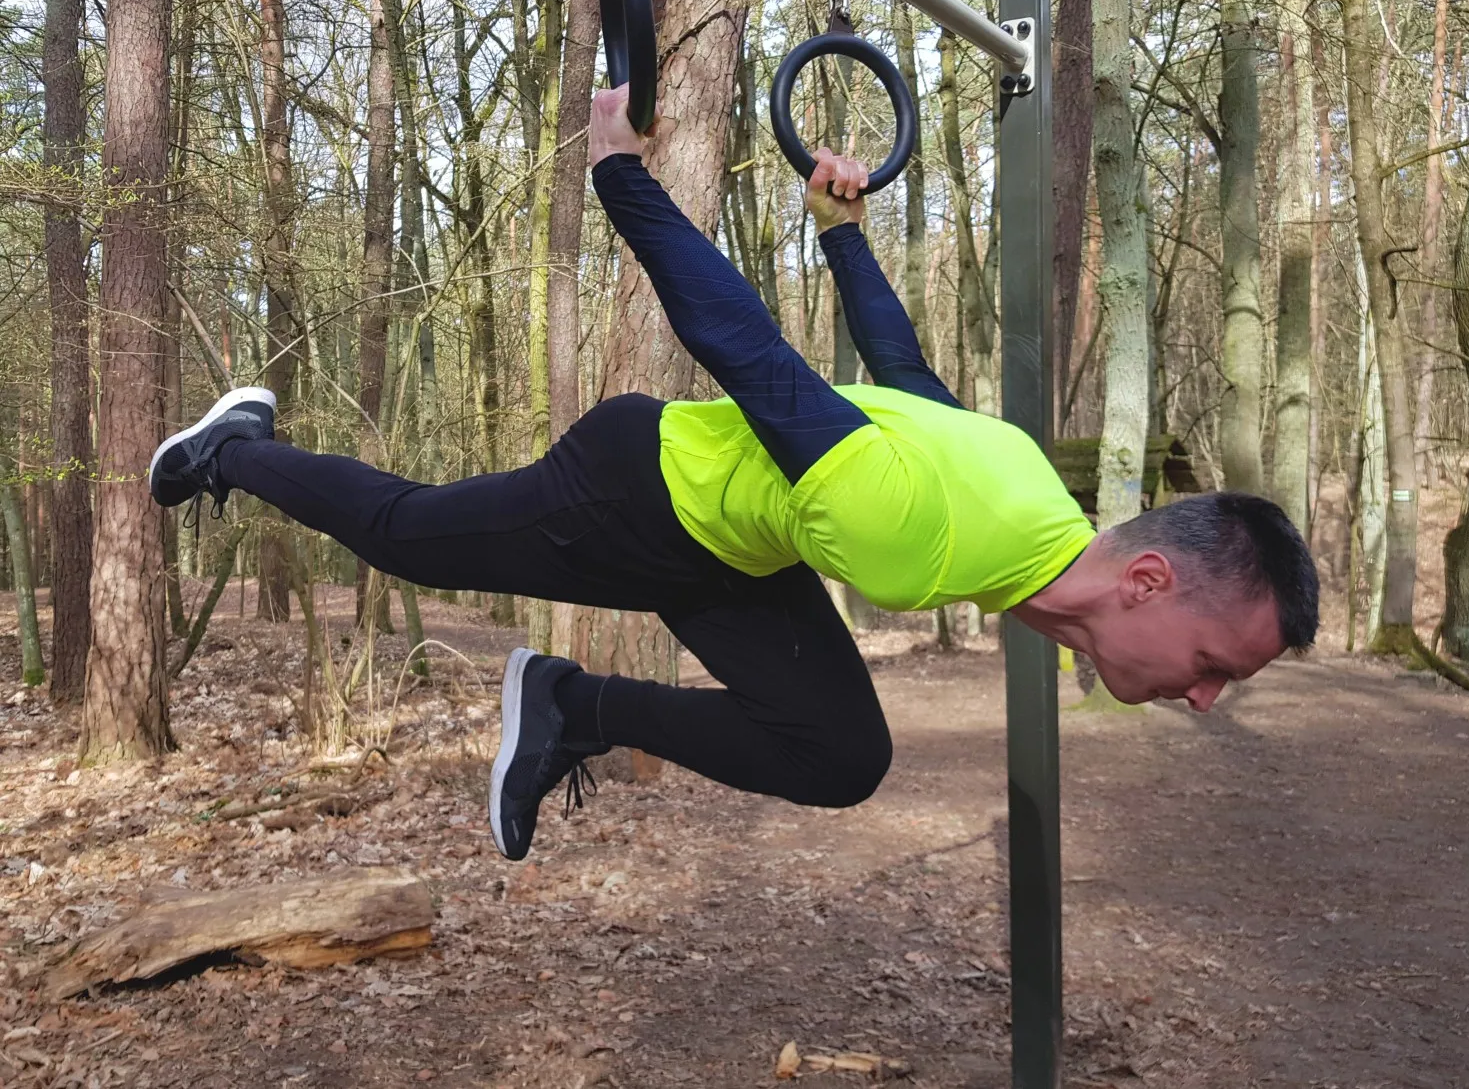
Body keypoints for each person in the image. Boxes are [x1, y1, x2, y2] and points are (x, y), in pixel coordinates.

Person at [150, 85, 1319, 862]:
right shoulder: (921, 529)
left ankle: (569, 704)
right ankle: (238, 447)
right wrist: (619, 173)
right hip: (636, 494)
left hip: (738, 546)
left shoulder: (1025, 493)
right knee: (406, 530)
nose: (1209, 696)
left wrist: (843, 233)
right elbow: (746, 350)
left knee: (844, 753)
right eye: (1217, 664)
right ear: (1152, 579)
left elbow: (901, 366)